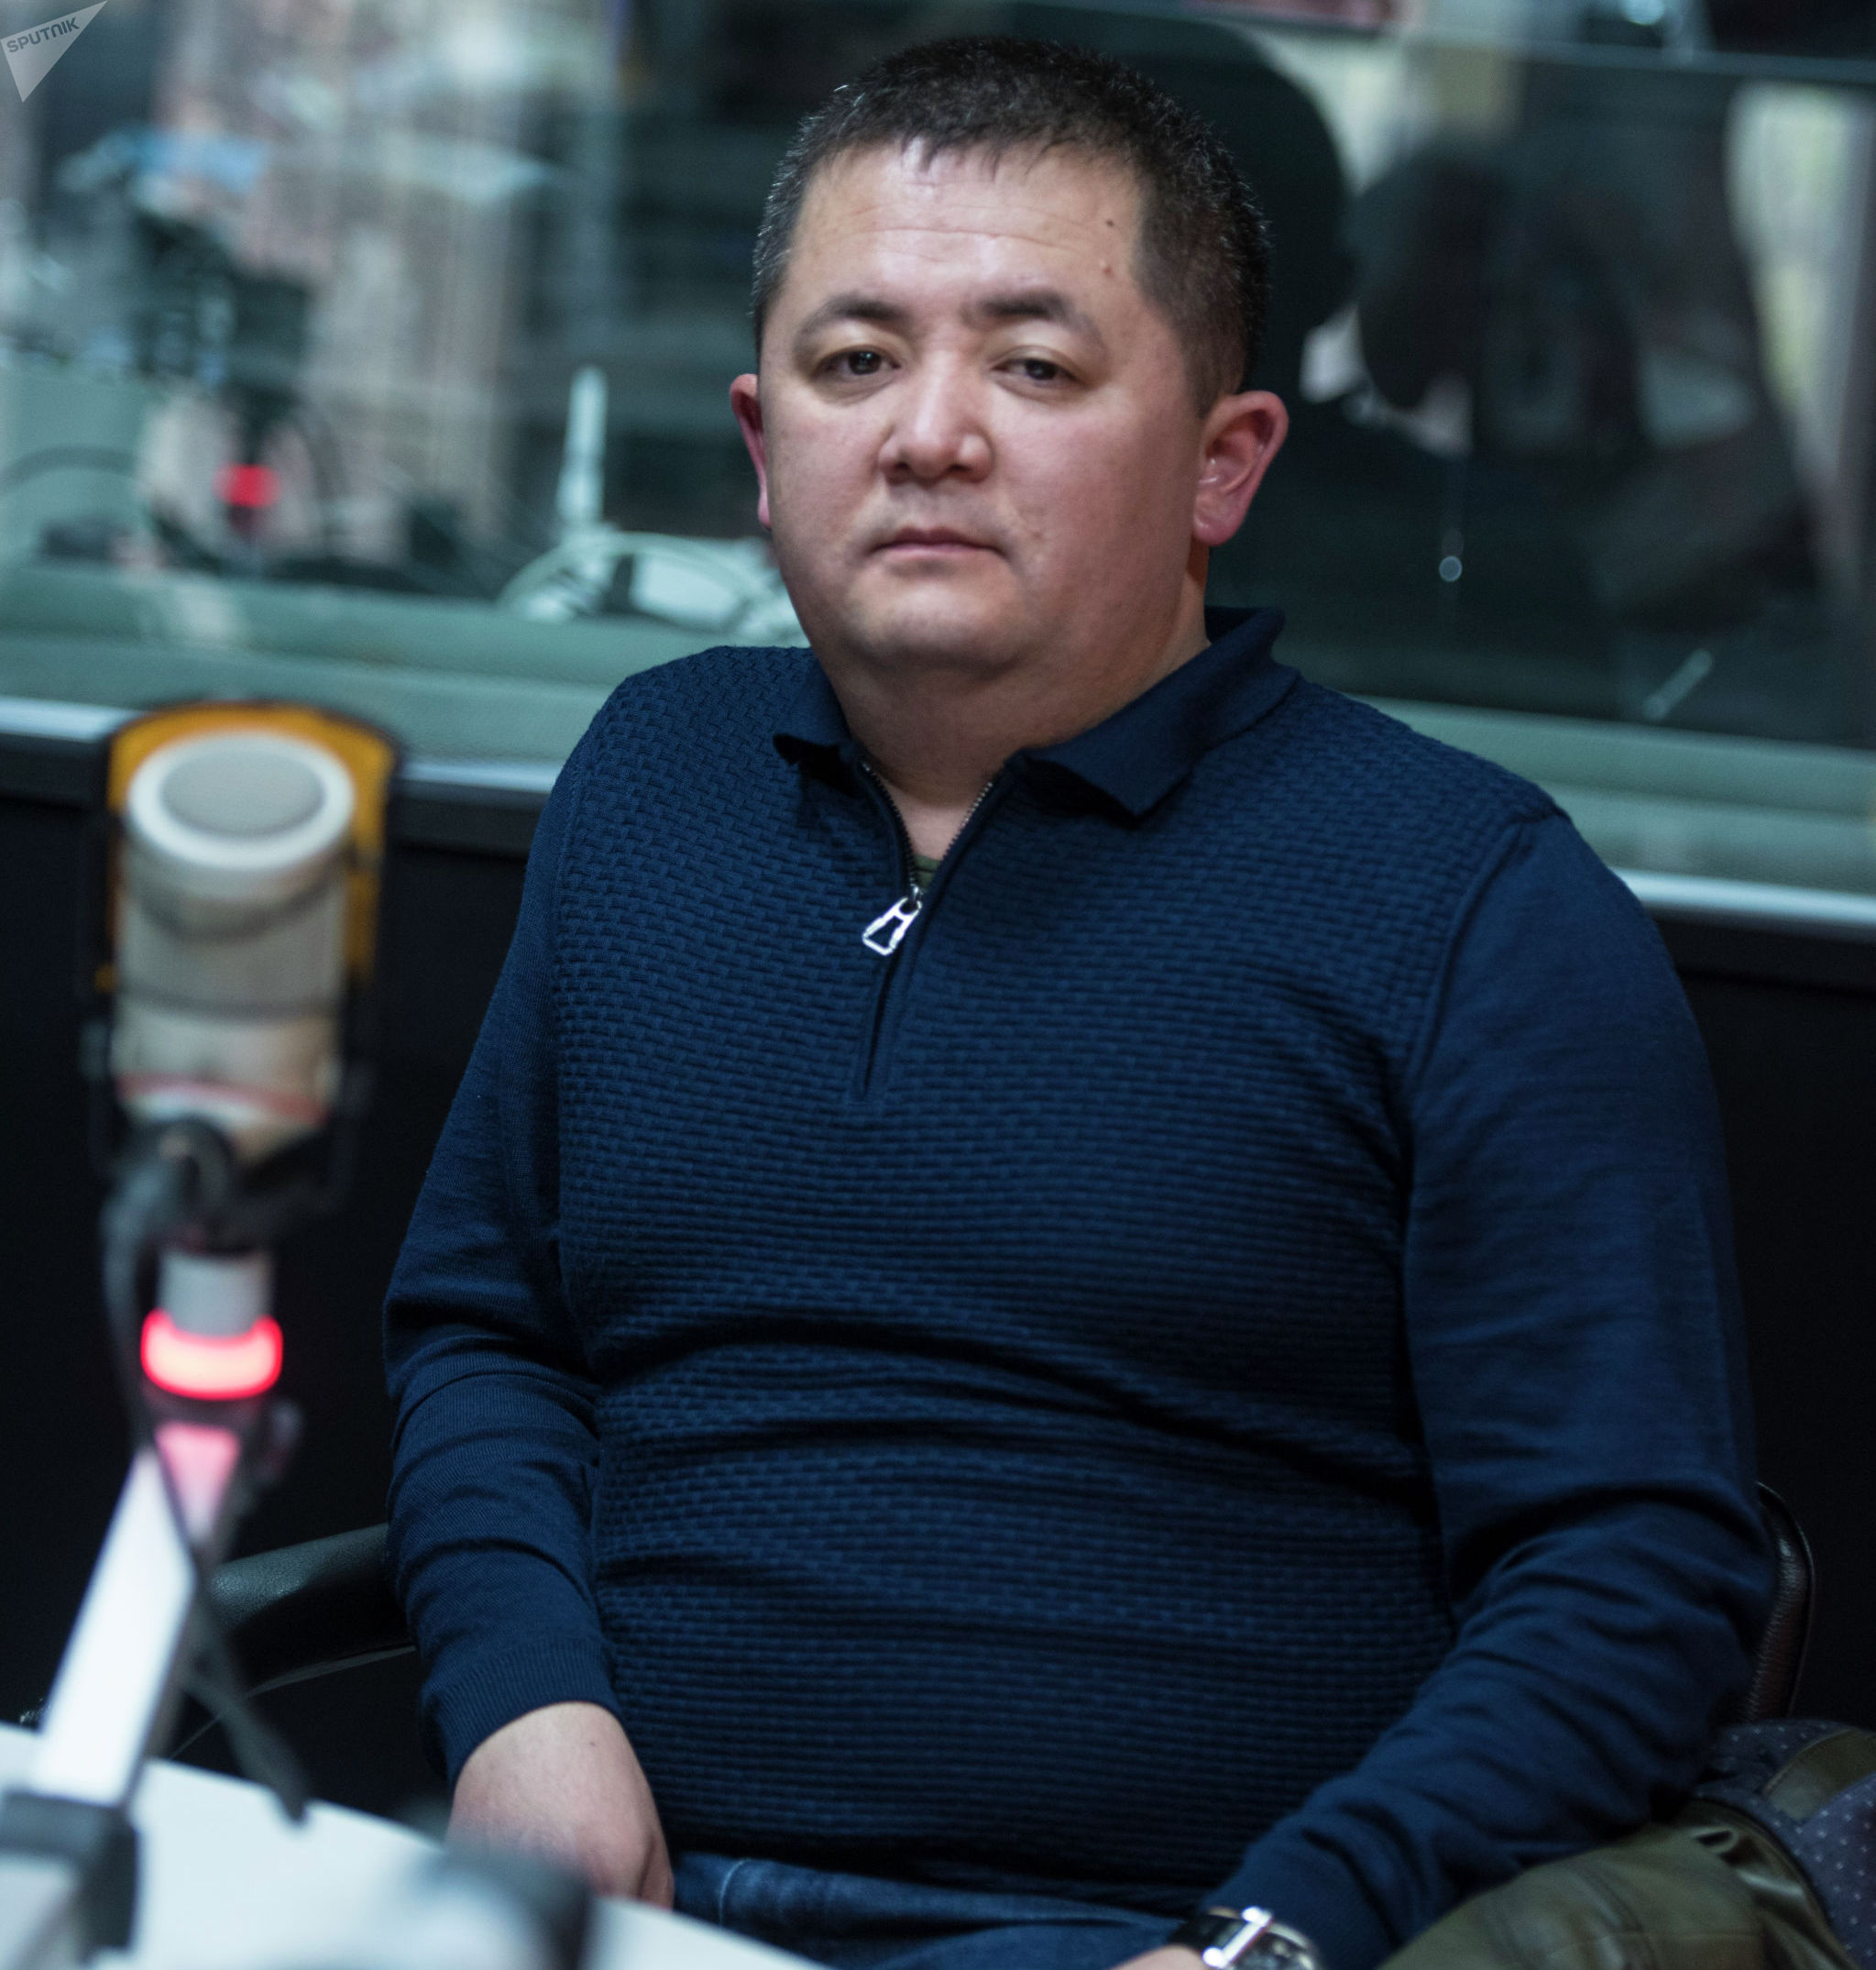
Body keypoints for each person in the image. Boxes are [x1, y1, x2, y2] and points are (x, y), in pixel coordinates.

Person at [384, 37, 1769, 1970]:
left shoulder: (1471, 902)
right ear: (763, 439)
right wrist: (523, 1699)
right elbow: (488, 1334)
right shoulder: (651, 776)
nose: (928, 434)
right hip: (614, 1901)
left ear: (1225, 460)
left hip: (1140, 1933)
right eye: (854, 361)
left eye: (1033, 367)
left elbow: (1633, 1573)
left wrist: (1274, 1934)